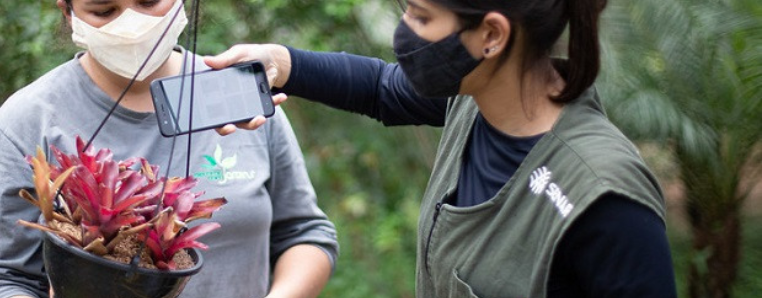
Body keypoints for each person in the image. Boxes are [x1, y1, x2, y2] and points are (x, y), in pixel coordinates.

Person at [205, 0, 678, 297]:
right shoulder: (477, 102)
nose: (404, 31)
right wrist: (281, 63)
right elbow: (383, 89)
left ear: (492, 35)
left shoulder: (604, 200)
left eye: (421, 16)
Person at [0, 1, 338, 298]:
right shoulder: (27, 121)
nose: (132, 23)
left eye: (149, 1)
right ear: (68, 11)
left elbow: (306, 233)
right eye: (104, 10)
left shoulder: (236, 98)